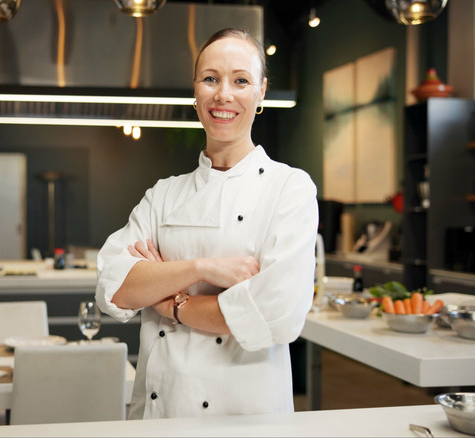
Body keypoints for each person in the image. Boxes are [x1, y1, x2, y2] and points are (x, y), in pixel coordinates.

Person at [95, 28, 318, 420]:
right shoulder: (163, 195)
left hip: (245, 417)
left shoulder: (290, 188)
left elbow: (275, 315)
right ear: (195, 91)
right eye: (210, 79)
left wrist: (169, 301)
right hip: (161, 415)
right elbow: (113, 287)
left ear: (261, 92)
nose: (223, 95)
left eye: (241, 80)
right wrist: (204, 269)